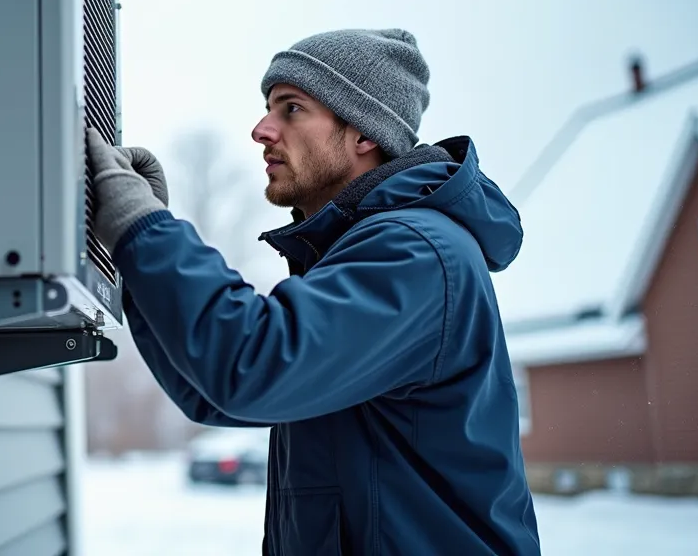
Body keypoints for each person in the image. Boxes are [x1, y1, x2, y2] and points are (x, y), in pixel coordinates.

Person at [85, 28, 542, 555]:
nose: (261, 129)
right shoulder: (356, 255)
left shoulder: (415, 254)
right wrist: (141, 256)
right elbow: (215, 393)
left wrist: (146, 230)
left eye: (292, 108)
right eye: (267, 108)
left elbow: (251, 365)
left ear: (364, 133)